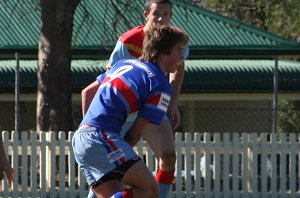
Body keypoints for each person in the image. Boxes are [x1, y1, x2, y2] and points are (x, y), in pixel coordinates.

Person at [81, 0, 189, 197]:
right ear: (146, 14)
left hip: (97, 131)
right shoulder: (129, 44)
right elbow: (95, 89)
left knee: (168, 156)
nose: (182, 57)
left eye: (166, 14)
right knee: (145, 187)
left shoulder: (166, 45)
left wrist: (172, 104)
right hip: (115, 124)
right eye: (179, 52)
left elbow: (93, 88)